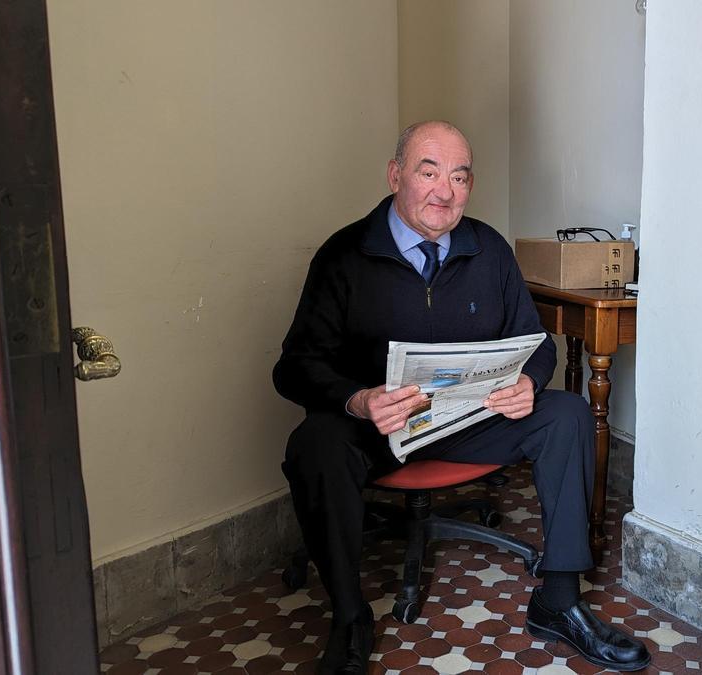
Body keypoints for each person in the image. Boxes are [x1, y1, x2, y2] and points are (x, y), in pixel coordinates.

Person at [273, 120, 650, 674]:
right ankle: (350, 618)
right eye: (429, 173)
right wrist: (359, 400)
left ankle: (559, 600)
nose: (444, 192)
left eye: (459, 177)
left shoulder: (488, 248)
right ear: (395, 175)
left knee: (567, 411)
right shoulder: (344, 255)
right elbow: (294, 367)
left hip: (470, 420)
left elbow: (535, 343)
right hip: (378, 431)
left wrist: (528, 382)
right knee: (314, 442)